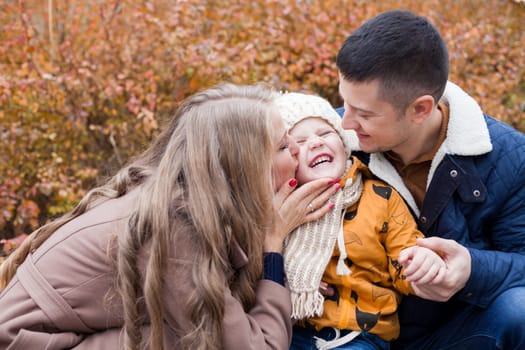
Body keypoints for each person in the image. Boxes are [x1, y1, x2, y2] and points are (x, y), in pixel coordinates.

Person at [0, 83, 341, 350]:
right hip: (28, 343)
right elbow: (257, 346)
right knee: (193, 338)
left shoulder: (186, 196)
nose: (297, 150)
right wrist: (273, 246)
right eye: (283, 146)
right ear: (246, 169)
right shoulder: (175, 226)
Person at [335, 9, 525, 350]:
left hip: (456, 332)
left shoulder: (511, 158)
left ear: (421, 109)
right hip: (345, 328)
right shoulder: (327, 140)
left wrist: (471, 269)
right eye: (343, 103)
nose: (345, 122)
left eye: (364, 113)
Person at [275, 92, 445, 350]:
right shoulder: (280, 207)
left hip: (359, 335)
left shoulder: (380, 197)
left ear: (344, 143)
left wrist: (420, 263)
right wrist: (288, 281)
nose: (316, 143)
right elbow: (256, 262)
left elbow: (405, 250)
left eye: (324, 133)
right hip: (292, 331)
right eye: (299, 141)